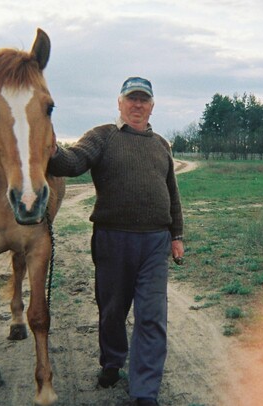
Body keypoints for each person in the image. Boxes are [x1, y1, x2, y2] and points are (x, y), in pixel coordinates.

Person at [47, 76, 184, 406]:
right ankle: (112, 360)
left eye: (144, 100)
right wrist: (46, 142)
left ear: (152, 107)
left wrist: (177, 235)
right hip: (112, 240)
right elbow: (71, 162)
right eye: (131, 99)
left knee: (152, 316)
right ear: (120, 103)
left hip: (154, 242)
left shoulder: (161, 145)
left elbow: (172, 195)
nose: (138, 105)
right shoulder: (103, 137)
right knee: (112, 311)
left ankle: (144, 391)